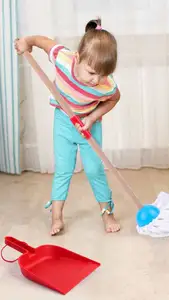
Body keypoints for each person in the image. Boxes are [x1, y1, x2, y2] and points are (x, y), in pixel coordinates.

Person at [14, 18, 121, 235]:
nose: (96, 80)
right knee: (63, 170)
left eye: (103, 74)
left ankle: (107, 213)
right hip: (64, 121)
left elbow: (114, 98)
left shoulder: (106, 85)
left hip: (89, 124)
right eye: (92, 73)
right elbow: (44, 42)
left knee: (94, 169)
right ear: (78, 58)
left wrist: (92, 118)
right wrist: (27, 42)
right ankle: (56, 217)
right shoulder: (63, 59)